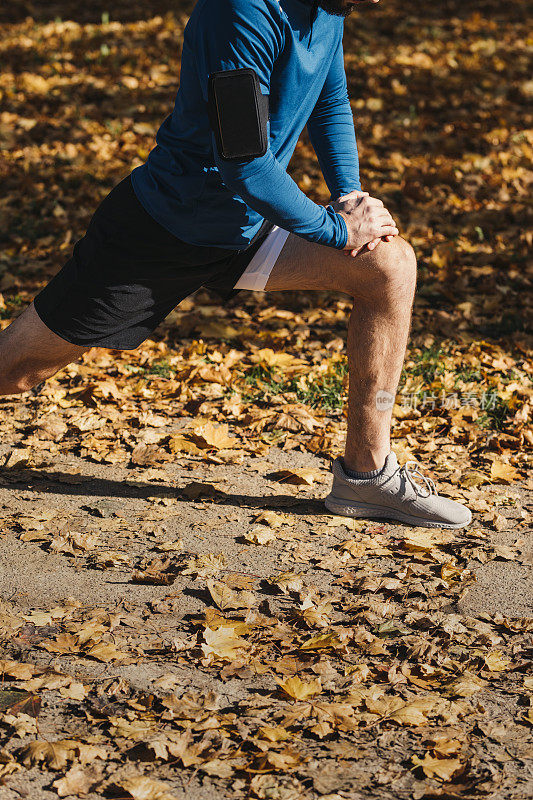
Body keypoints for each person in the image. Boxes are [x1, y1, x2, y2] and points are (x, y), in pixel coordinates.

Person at [0, 0, 471, 528]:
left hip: (250, 226)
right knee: (18, 373)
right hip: (166, 229)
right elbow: (244, 161)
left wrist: (351, 198)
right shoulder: (240, 11)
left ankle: (366, 478)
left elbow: (329, 101)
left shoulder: (330, 8)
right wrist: (337, 230)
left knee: (389, 266)